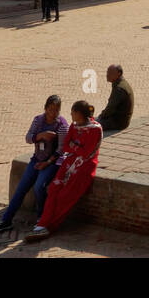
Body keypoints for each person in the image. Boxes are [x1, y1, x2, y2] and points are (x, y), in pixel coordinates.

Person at [0, 94, 70, 231]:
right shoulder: (38, 120)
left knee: (39, 186)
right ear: (45, 108)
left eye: (56, 110)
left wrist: (47, 162)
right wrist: (40, 136)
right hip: (37, 159)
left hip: (53, 162)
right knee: (21, 188)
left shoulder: (62, 125)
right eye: (51, 109)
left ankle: (42, 218)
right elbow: (28, 138)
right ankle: (6, 220)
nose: (53, 113)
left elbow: (62, 149)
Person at [27, 100, 102, 240]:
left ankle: (50, 225)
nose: (71, 114)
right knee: (54, 189)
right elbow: (67, 147)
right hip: (69, 163)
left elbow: (86, 153)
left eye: (73, 112)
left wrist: (75, 147)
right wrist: (77, 147)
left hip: (84, 167)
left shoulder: (95, 129)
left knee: (64, 196)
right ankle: (42, 223)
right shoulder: (74, 126)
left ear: (79, 114)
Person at [96, 64, 134, 134]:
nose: (107, 75)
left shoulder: (119, 88)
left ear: (118, 74)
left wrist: (101, 117)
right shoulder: (121, 83)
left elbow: (110, 108)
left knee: (91, 126)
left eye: (110, 73)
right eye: (107, 72)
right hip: (121, 119)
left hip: (118, 122)